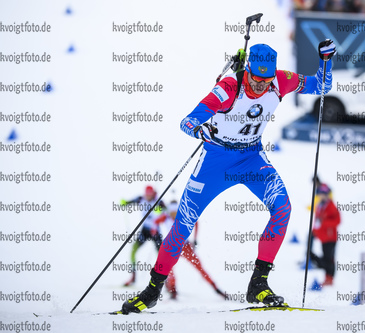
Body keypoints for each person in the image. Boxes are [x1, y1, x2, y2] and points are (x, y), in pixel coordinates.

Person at [120, 40, 337, 314]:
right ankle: (152, 290)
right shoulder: (228, 89)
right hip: (216, 160)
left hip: (251, 158)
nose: (260, 86)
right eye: (256, 79)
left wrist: (325, 61)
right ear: (247, 70)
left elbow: (322, 85)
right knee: (183, 224)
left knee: (282, 207)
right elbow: (187, 122)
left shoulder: (281, 81)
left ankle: (258, 284)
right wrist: (201, 131)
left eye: (266, 80)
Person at [121, 185, 166, 287]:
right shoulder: (141, 199)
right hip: (145, 231)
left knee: (162, 256)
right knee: (133, 251)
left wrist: (161, 210)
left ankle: (166, 282)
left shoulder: (158, 201)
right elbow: (129, 202)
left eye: (150, 195)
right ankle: (133, 277)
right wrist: (124, 203)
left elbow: (167, 212)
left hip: (155, 231)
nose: (148, 197)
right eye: (147, 194)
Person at [310, 184, 340, 287]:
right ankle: (327, 277)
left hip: (331, 238)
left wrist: (325, 223)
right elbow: (317, 221)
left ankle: (330, 278)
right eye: (320, 194)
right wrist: (315, 231)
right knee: (325, 258)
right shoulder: (319, 206)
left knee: (329, 258)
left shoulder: (331, 206)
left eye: (324, 194)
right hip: (323, 237)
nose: (322, 196)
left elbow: (337, 220)